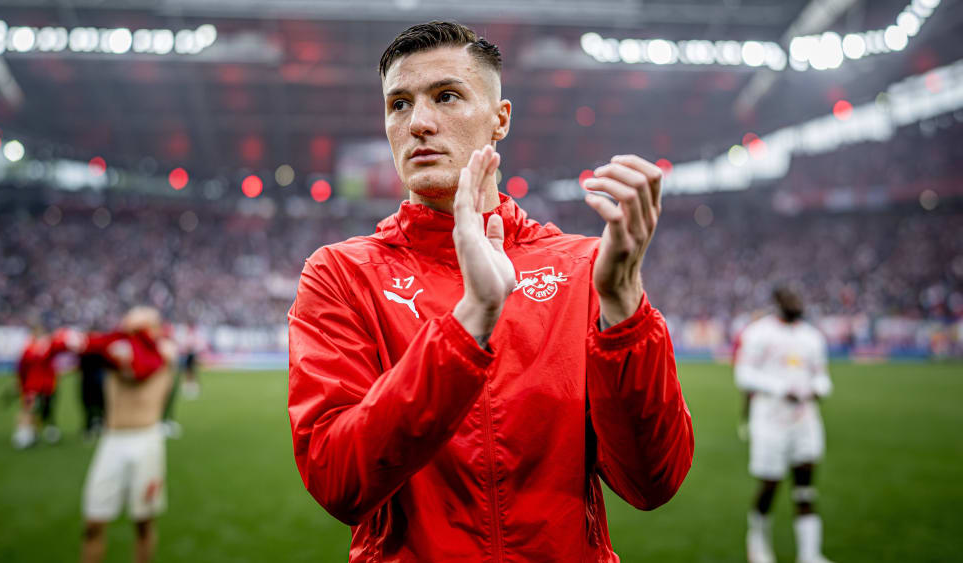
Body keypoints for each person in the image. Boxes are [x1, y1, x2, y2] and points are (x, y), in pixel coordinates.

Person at [287, 21, 694, 561]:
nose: (419, 122)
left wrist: (623, 312)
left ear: (500, 119)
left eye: (446, 96)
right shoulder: (341, 274)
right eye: (399, 104)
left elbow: (652, 483)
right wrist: (468, 324)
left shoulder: (584, 268)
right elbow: (339, 482)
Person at [734, 287, 833, 563]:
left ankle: (810, 554)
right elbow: (743, 374)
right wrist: (780, 388)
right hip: (769, 420)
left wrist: (817, 389)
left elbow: (823, 377)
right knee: (770, 483)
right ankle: (757, 543)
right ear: (777, 303)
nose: (796, 304)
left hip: (805, 419)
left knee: (805, 486)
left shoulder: (812, 337)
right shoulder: (758, 333)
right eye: (790, 300)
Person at [79, 306, 178, 563]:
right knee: (92, 522)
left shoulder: (163, 353)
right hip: (112, 439)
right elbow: (92, 349)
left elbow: (148, 364)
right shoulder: (113, 351)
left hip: (147, 439)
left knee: (144, 523)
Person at [12, 325, 81, 448]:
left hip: (47, 386)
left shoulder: (49, 346)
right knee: (29, 409)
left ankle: (40, 432)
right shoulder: (29, 349)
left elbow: (62, 345)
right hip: (32, 386)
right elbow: (22, 368)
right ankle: (26, 433)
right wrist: (21, 384)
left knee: (46, 410)